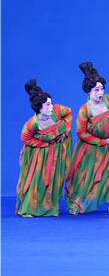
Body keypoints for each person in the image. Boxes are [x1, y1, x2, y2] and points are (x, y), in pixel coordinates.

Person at [64, 62, 109, 214]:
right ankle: (78, 202)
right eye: (96, 89)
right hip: (92, 147)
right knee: (85, 175)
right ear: (88, 91)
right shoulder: (85, 110)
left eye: (102, 89)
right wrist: (102, 141)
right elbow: (81, 132)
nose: (100, 92)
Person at [17, 79, 72, 217]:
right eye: (48, 104)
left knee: (55, 178)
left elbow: (69, 113)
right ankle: (29, 208)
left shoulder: (58, 110)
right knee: (38, 180)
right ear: (39, 107)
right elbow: (25, 138)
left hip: (58, 151)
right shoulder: (32, 124)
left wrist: (64, 132)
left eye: (51, 103)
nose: (51, 106)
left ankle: (51, 208)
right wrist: (44, 144)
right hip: (41, 154)